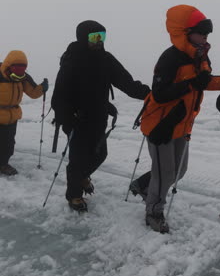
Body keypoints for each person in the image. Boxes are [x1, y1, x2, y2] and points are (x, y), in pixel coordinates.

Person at [130, 4, 220, 233]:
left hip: (183, 124)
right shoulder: (170, 57)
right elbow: (160, 93)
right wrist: (190, 85)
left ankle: (144, 186)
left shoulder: (201, 56)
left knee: (178, 171)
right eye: (201, 32)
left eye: (207, 33)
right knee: (165, 173)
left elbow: (206, 81)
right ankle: (154, 212)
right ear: (185, 32)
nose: (205, 36)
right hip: (161, 124)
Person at [51, 20, 150, 213]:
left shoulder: (106, 59)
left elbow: (126, 82)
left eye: (101, 37)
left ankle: (81, 177)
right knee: (78, 158)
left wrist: (150, 94)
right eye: (94, 37)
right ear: (82, 38)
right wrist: (66, 117)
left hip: (98, 117)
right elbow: (59, 95)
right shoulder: (72, 59)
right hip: (76, 119)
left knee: (100, 154)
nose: (98, 41)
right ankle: (74, 195)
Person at [0, 50, 49, 175]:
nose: (19, 73)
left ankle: (3, 164)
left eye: (22, 69)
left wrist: (42, 88)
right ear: (9, 66)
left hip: (12, 115)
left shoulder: (23, 77)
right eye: (16, 69)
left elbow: (33, 92)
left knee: (9, 143)